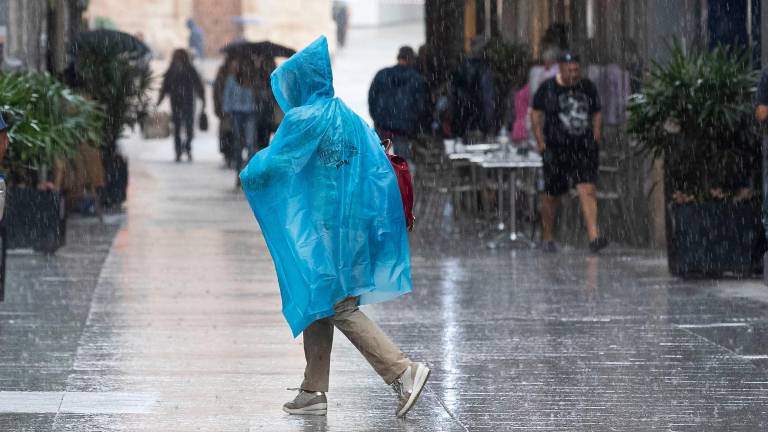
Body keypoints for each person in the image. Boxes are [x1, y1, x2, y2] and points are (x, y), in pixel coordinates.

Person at [239, 36, 430, 418]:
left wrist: (249, 172)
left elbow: (276, 163)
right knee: (318, 300)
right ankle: (313, 389)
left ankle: (402, 370)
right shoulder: (346, 116)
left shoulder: (305, 119)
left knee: (337, 305)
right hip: (354, 227)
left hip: (326, 229)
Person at [531, 52, 609, 253]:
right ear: (561, 68)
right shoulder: (547, 88)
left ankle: (594, 236)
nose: (574, 74)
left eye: (576, 70)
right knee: (552, 194)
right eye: (569, 70)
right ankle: (548, 236)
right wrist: (542, 145)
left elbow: (597, 112)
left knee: (587, 189)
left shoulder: (587, 87)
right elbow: (535, 114)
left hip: (583, 149)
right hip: (556, 150)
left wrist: (596, 135)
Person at [368, 46, 430, 175]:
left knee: (380, 163)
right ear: (412, 59)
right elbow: (421, 106)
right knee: (403, 163)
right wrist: (415, 124)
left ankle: (385, 189)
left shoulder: (382, 74)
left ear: (398, 57)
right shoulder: (417, 79)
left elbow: (372, 100)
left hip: (383, 127)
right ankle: (403, 190)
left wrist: (378, 119)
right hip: (403, 129)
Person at [223, 57, 273, 183]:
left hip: (251, 114)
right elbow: (227, 97)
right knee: (238, 144)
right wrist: (227, 112)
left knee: (251, 144)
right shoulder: (232, 80)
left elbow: (263, 96)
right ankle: (239, 173)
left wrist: (258, 90)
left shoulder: (254, 81)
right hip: (236, 114)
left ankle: (249, 173)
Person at [157, 49, 206, 163]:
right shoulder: (181, 69)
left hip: (183, 102)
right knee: (182, 127)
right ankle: (182, 149)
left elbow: (165, 86)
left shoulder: (184, 69)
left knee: (183, 128)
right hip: (182, 102)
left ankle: (183, 149)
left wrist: (203, 99)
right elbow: (165, 86)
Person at [214, 55, 239, 168]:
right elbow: (217, 90)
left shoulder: (240, 72)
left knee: (232, 133)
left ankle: (232, 154)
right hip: (226, 109)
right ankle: (228, 154)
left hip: (234, 108)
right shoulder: (224, 74)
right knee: (227, 132)